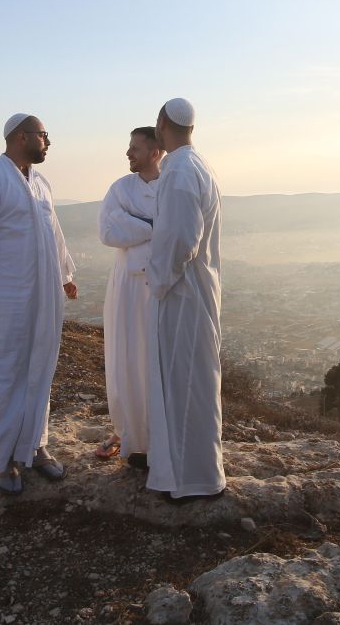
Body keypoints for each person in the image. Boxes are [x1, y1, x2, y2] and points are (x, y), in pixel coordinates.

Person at [0, 114, 77, 495]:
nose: (48, 142)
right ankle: (3, 458)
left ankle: (35, 446)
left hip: (45, 294)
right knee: (7, 371)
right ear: (21, 137)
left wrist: (65, 276)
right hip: (8, 295)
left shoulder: (41, 183)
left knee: (41, 367)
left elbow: (54, 233)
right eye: (43, 135)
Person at [145, 97, 225, 501]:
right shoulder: (200, 165)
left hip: (182, 292)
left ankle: (185, 480)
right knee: (195, 381)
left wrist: (157, 281)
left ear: (162, 124)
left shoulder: (177, 171)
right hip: (197, 289)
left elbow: (179, 240)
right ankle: (193, 473)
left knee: (182, 383)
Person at [96, 126, 163, 466]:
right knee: (126, 358)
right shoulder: (120, 188)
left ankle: (159, 440)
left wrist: (135, 222)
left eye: (134, 148)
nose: (128, 153)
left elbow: (183, 231)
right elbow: (109, 230)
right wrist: (154, 226)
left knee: (155, 361)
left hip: (163, 286)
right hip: (127, 286)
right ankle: (130, 435)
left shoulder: (172, 186)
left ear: (154, 152)